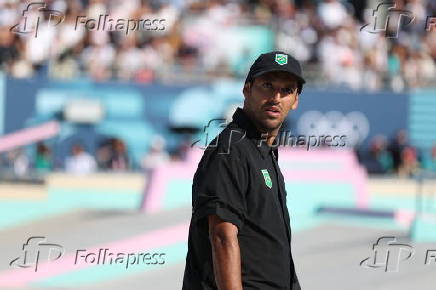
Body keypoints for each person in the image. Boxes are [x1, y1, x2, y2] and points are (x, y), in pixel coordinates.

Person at [182, 51, 305, 290]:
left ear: (296, 100)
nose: (275, 98)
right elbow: (222, 237)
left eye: (286, 90)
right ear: (247, 89)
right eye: (267, 86)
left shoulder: (263, 152)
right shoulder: (230, 150)